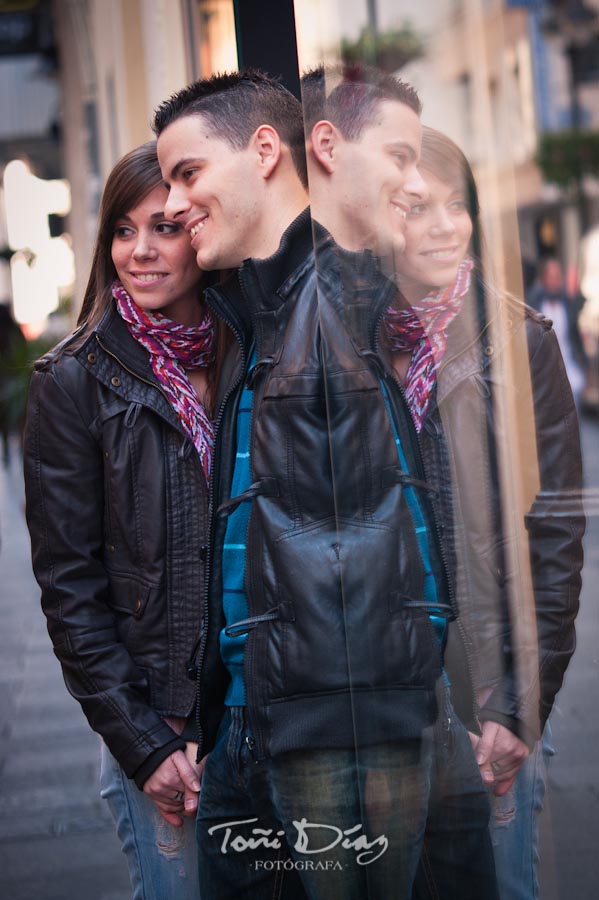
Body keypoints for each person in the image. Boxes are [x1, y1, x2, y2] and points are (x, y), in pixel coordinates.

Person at [155, 67, 498, 900]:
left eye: (188, 172)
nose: (171, 204)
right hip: (256, 710)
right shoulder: (250, 304)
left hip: (337, 727)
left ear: (269, 151)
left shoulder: (335, 286)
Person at [23, 141, 228, 900]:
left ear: (202, 235)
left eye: (165, 228)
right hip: (163, 726)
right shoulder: (72, 380)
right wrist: (145, 747)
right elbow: (70, 591)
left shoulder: (252, 352)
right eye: (122, 230)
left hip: (263, 717)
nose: (139, 251)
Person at [390, 126, 585, 899]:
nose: (443, 225)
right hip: (388, 707)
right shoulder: (349, 345)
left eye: (456, 205)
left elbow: (557, 537)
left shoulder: (518, 339)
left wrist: (515, 707)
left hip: (483, 700)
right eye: (416, 207)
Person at [527, 256, 586, 401]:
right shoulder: (535, 304)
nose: (555, 281)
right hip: (546, 372)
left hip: (569, 366)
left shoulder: (567, 303)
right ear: (544, 279)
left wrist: (583, 362)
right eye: (552, 277)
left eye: (558, 277)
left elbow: (574, 334)